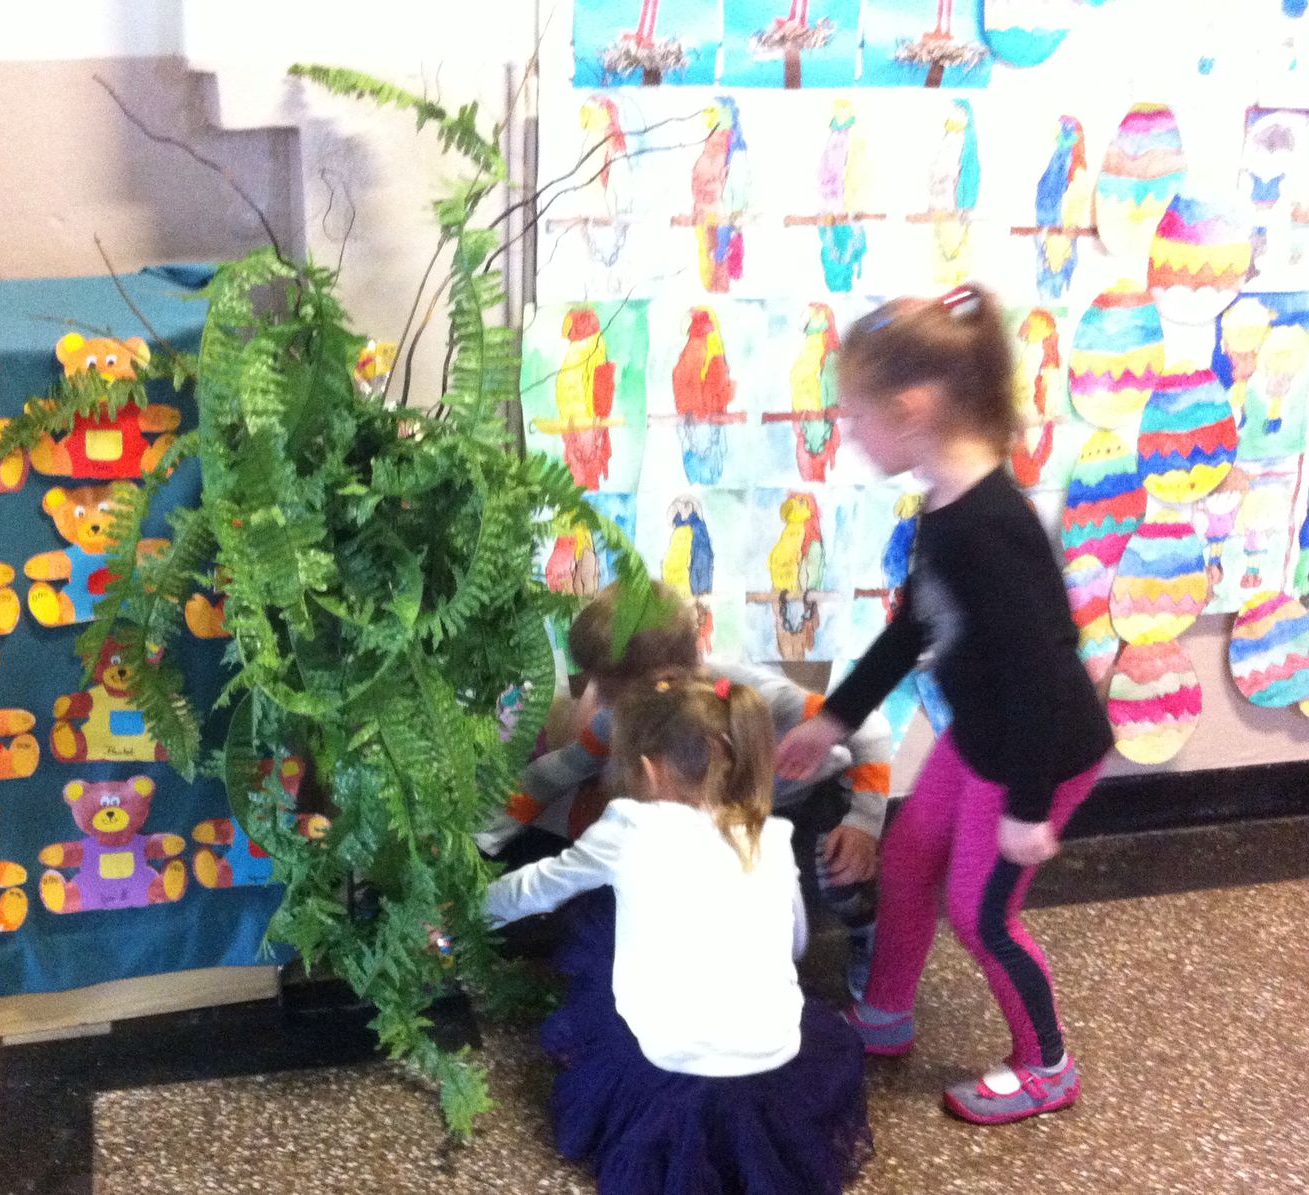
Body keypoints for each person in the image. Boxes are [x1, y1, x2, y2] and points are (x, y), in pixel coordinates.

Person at [775, 285, 1113, 1126]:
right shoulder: (944, 505)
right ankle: (884, 1016)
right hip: (983, 734)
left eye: (858, 416)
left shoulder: (987, 527)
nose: (849, 434)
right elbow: (915, 627)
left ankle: (1047, 1064)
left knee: (982, 914)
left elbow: (1039, 675)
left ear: (913, 408)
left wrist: (1027, 809)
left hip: (1038, 750)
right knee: (908, 857)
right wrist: (832, 719)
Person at [487, 670, 872, 1193]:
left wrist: (469, 911)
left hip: (663, 1061)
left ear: (648, 769)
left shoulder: (627, 828)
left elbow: (536, 888)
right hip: (774, 1060)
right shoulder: (770, 833)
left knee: (596, 929)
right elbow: (797, 942)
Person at [477, 579, 893, 999]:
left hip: (811, 801)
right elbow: (558, 771)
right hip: (731, 816)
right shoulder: (628, 714)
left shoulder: (751, 695)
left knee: (835, 869)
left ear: (660, 678)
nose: (598, 699)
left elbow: (870, 728)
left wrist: (863, 822)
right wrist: (483, 839)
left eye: (606, 686)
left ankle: (870, 935)